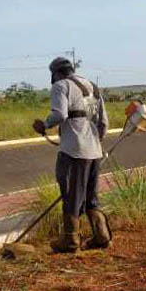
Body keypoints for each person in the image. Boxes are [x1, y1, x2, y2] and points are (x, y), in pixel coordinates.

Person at [32, 57, 111, 252]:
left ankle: (70, 240)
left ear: (55, 73)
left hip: (73, 152)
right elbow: (104, 123)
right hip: (94, 151)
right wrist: (95, 143)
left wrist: (45, 124)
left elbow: (60, 115)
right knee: (91, 196)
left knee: (71, 195)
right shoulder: (92, 86)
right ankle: (102, 236)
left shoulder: (61, 86)